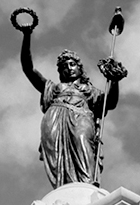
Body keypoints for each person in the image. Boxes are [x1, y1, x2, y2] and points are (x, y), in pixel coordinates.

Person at [18, 24, 120, 188]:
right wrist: (27, 35)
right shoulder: (53, 88)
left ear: (80, 67)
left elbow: (111, 102)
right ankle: (63, 188)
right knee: (56, 156)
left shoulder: (90, 90)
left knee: (82, 142)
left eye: (72, 64)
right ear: (60, 71)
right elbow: (28, 68)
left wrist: (114, 80)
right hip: (55, 118)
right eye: (64, 66)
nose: (68, 68)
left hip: (81, 117)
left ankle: (86, 185)